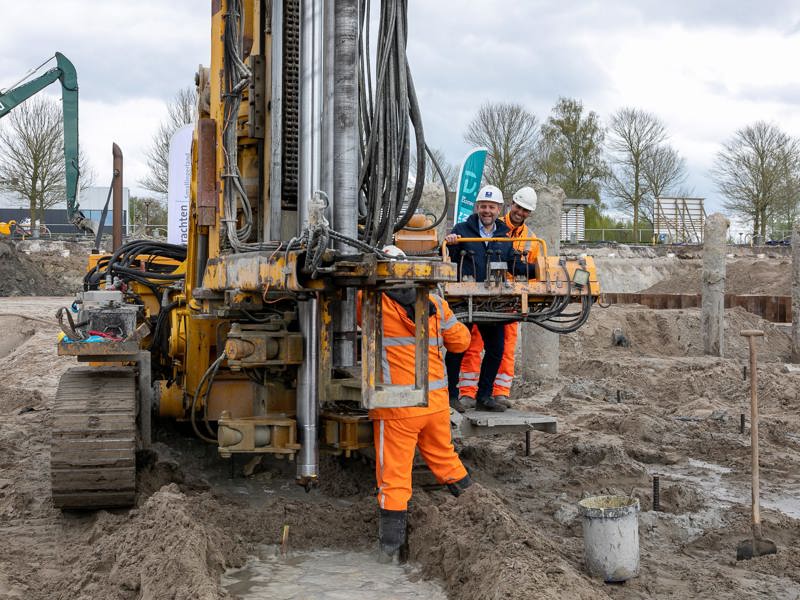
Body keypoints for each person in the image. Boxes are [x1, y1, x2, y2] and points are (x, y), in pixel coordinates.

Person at [357, 281, 473, 562]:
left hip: (397, 408)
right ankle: (479, 509)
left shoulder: (371, 300)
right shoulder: (435, 303)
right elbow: (462, 342)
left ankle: (391, 555)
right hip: (434, 404)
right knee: (446, 461)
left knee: (394, 479)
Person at [443, 185, 523, 413]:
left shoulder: (503, 236)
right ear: (478, 207)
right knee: (458, 347)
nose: (487, 211)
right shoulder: (461, 230)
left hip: (491, 302)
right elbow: (449, 257)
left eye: (492, 207)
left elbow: (513, 264)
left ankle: (484, 395)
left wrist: (540, 270)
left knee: (496, 348)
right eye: (483, 206)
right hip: (464, 299)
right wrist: (450, 244)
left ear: (499, 209)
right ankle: (451, 396)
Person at [457, 186, 538, 409]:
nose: (520, 212)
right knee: (472, 344)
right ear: (511, 204)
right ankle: (466, 392)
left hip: (507, 299)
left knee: (503, 347)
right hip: (479, 295)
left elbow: (524, 266)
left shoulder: (528, 238)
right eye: (518, 207)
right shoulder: (491, 228)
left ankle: (497, 391)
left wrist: (534, 278)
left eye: (525, 210)